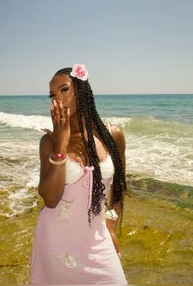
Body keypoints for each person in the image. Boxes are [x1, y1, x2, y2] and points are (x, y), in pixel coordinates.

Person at [29, 64, 128, 285]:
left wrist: (111, 225)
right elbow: (50, 199)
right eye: (53, 95)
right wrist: (60, 146)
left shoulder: (113, 135)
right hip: (56, 244)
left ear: (82, 90)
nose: (57, 99)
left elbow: (120, 185)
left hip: (97, 240)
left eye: (64, 90)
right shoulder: (49, 141)